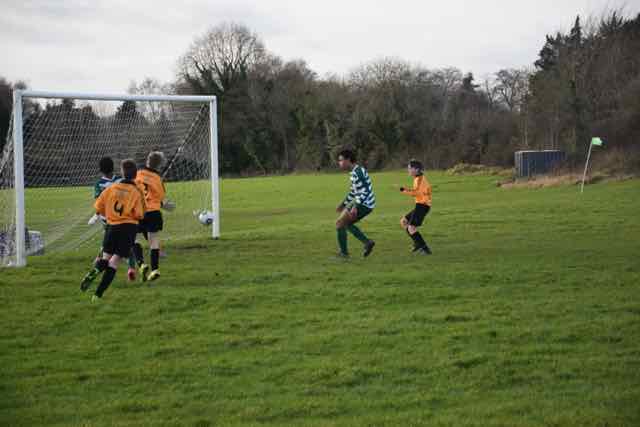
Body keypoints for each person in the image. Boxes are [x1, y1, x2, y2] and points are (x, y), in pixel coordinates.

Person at [80, 159, 145, 301]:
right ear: (135, 175)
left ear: (122, 172)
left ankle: (95, 270)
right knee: (114, 262)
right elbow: (139, 214)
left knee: (105, 258)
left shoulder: (111, 188)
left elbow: (98, 207)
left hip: (111, 227)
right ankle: (97, 295)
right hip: (128, 228)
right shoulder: (136, 191)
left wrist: (109, 214)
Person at [90, 156, 137, 281]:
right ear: (113, 167)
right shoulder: (121, 180)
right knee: (128, 243)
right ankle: (131, 268)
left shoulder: (99, 184)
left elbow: (99, 202)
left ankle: (99, 261)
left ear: (101, 170)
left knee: (108, 241)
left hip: (107, 218)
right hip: (123, 217)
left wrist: (96, 215)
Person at [132, 151, 174, 281]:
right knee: (154, 241)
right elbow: (160, 198)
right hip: (154, 212)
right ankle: (155, 270)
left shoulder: (137, 174)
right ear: (159, 165)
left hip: (139, 211)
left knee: (135, 238)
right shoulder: (157, 179)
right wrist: (165, 205)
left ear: (147, 161)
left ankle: (141, 264)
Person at [335, 149, 376, 258]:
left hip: (365, 204)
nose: (339, 163)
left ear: (348, 160)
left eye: (341, 160)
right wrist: (343, 204)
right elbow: (354, 192)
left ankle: (344, 254)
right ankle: (367, 243)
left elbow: (366, 191)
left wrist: (355, 206)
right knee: (344, 224)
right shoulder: (354, 172)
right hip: (364, 203)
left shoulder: (358, 172)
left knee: (340, 223)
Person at [399, 159, 432, 254]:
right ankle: (417, 243)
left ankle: (425, 249)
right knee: (404, 221)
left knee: (411, 227)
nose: (408, 170)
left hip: (423, 206)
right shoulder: (417, 178)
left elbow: (416, 193)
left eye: (410, 168)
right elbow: (417, 191)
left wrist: (404, 190)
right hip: (420, 205)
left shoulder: (420, 179)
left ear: (416, 169)